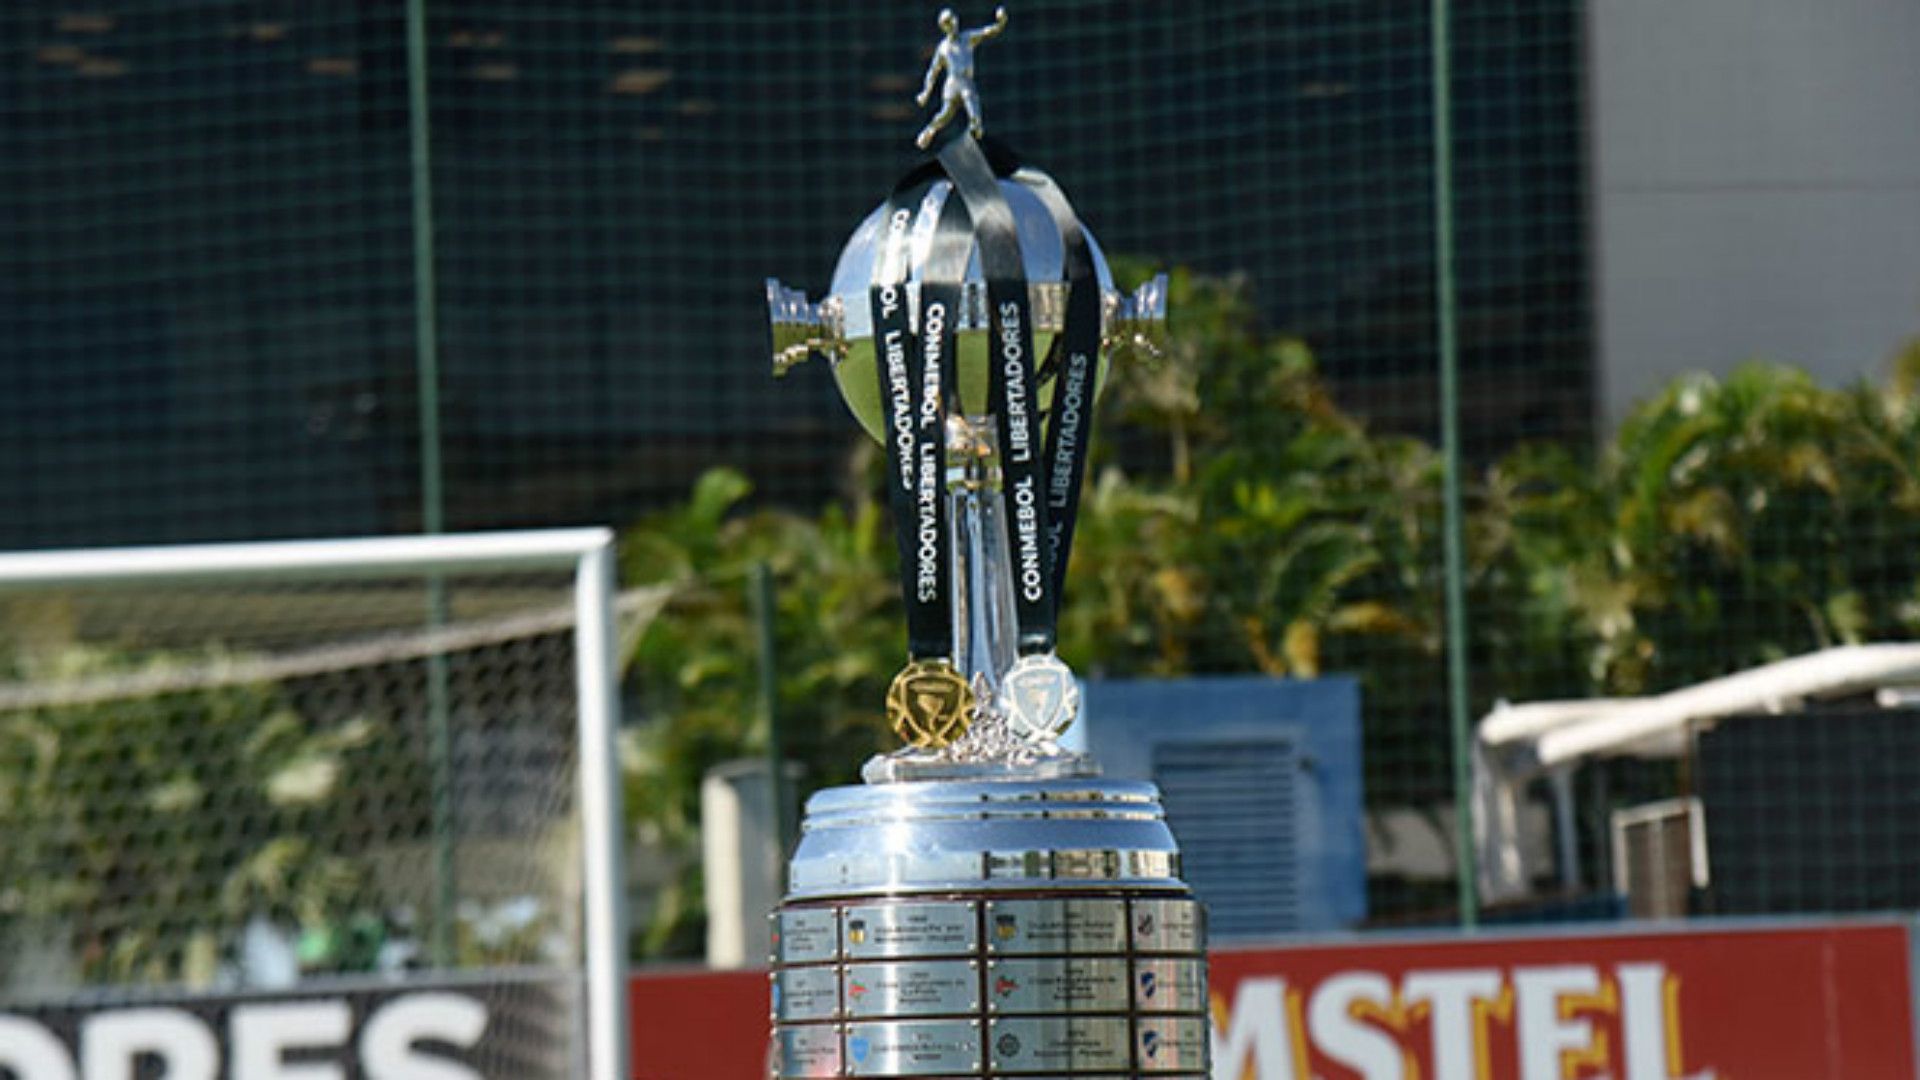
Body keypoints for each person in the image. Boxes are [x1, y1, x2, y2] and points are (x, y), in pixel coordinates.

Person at [915, 7, 1009, 149]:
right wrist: (925, 92)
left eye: (952, 20)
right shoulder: (943, 48)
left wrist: (1000, 23)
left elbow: (986, 32)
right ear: (943, 27)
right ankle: (930, 130)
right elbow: (933, 72)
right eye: (947, 23)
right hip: (952, 82)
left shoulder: (967, 38)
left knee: (971, 101)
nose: (951, 25)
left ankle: (975, 129)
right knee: (945, 114)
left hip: (965, 80)